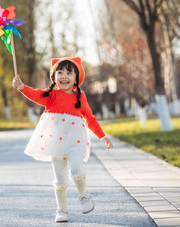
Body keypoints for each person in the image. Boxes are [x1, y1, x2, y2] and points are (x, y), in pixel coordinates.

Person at [12, 57, 113, 223]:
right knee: (60, 179)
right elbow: (36, 95)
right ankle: (62, 209)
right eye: (60, 72)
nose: (64, 76)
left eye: (69, 72)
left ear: (76, 78)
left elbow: (90, 118)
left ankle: (83, 195)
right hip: (55, 143)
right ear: (54, 77)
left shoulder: (80, 97)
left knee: (76, 170)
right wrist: (22, 87)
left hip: (75, 142)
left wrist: (102, 136)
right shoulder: (51, 95)